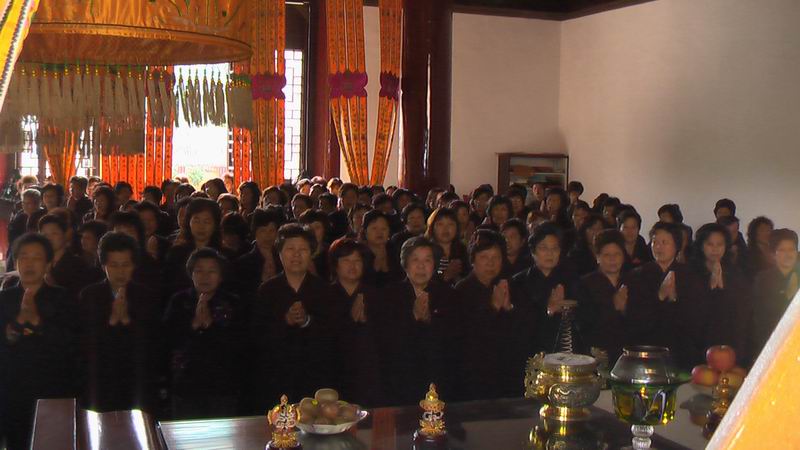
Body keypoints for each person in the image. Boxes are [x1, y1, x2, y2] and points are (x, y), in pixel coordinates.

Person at [0, 234, 75, 450]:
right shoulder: (4, 298)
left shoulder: (63, 299)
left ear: (48, 263)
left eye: (37, 258)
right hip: (12, 391)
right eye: (24, 257)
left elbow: (70, 345)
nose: (29, 263)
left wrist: (35, 321)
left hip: (52, 389)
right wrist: (14, 329)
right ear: (15, 261)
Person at [249, 224, 334, 410]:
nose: (296, 255)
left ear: (311, 253)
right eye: (290, 249)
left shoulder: (324, 290)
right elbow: (256, 336)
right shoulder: (267, 290)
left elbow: (333, 335)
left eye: (303, 250)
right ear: (279, 253)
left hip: (314, 377)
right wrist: (284, 322)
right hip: (275, 378)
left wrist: (307, 322)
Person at [78, 232, 161, 413]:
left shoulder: (146, 296)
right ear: (103, 266)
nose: (120, 271)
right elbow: (84, 342)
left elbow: (153, 343)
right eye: (114, 265)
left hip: (137, 382)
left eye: (126, 265)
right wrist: (111, 322)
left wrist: (127, 322)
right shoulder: (89, 295)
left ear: (134, 265)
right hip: (100, 382)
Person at [164, 248, 245, 419]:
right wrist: (193, 325)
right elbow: (167, 340)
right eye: (199, 271)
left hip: (222, 387)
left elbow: (239, 344)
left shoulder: (233, 303)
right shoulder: (179, 301)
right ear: (191, 274)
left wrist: (210, 326)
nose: (205, 276)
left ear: (221, 276)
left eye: (212, 271)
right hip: (185, 386)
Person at [373, 237, 454, 405]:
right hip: (399, 383)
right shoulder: (388, 296)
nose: (421, 266)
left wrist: (429, 320)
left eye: (427, 260)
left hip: (438, 382)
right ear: (405, 264)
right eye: (415, 260)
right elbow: (383, 343)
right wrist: (413, 318)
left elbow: (454, 341)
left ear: (435, 264)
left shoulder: (449, 295)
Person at [625, 222, 704, 369]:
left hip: (681, 351)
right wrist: (659, 297)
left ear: (677, 246)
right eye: (655, 242)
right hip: (648, 349)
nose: (658, 247)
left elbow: (696, 318)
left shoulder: (690, 275)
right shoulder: (637, 275)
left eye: (664, 242)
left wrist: (674, 300)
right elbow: (635, 318)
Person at [454, 230, 519, 401]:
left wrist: (508, 308)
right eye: (484, 257)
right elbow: (468, 338)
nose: (490, 263)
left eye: (496, 258)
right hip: (473, 378)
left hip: (502, 374)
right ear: (473, 260)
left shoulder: (504, 285)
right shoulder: (462, 291)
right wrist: (494, 307)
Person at [511, 222, 581, 358]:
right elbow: (517, 324)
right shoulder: (519, 282)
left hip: (565, 352)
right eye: (543, 248)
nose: (550, 253)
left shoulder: (571, 279)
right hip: (531, 353)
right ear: (533, 252)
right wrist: (548, 309)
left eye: (554, 249)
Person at [327, 238, 382, 406]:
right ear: (336, 265)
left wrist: (367, 322)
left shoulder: (375, 295)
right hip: (335, 375)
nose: (352, 265)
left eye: (357, 261)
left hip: (369, 376)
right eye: (346, 260)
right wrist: (349, 320)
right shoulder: (324, 295)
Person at [688, 223, 752, 365]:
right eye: (710, 244)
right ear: (701, 246)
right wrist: (710, 288)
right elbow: (689, 311)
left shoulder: (735, 273)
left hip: (729, 340)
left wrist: (723, 289)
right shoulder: (690, 274)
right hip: (698, 343)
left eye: (720, 244)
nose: (715, 249)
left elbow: (742, 311)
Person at [577, 230, 631, 365]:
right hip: (597, 354)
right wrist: (613, 306)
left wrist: (625, 310)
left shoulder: (633, 281)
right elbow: (583, 322)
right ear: (597, 257)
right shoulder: (585, 284)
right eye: (606, 255)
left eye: (617, 254)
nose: (612, 259)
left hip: (628, 354)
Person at [750, 229, 799, 361]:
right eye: (782, 250)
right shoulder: (763, 279)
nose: (788, 254)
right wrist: (787, 296)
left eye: (791, 249)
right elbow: (761, 316)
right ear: (773, 254)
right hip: (771, 342)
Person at [233, 208, 285, 308]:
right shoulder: (243, 263)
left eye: (271, 230)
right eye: (263, 231)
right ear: (255, 232)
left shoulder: (285, 259)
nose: (268, 236)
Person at [38, 214, 94, 302]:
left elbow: (80, 298)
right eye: (44, 235)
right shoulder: (39, 263)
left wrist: (53, 286)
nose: (49, 238)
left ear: (65, 235)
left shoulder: (78, 265)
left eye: (54, 233)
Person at [359, 210, 403, 287]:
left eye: (384, 228)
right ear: (365, 231)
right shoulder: (359, 254)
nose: (379, 232)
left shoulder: (395, 251)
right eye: (374, 228)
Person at [425, 208, 469, 284]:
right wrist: (445, 275)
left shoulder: (462, 249)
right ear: (432, 227)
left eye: (450, 224)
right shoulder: (425, 251)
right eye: (440, 224)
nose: (445, 229)